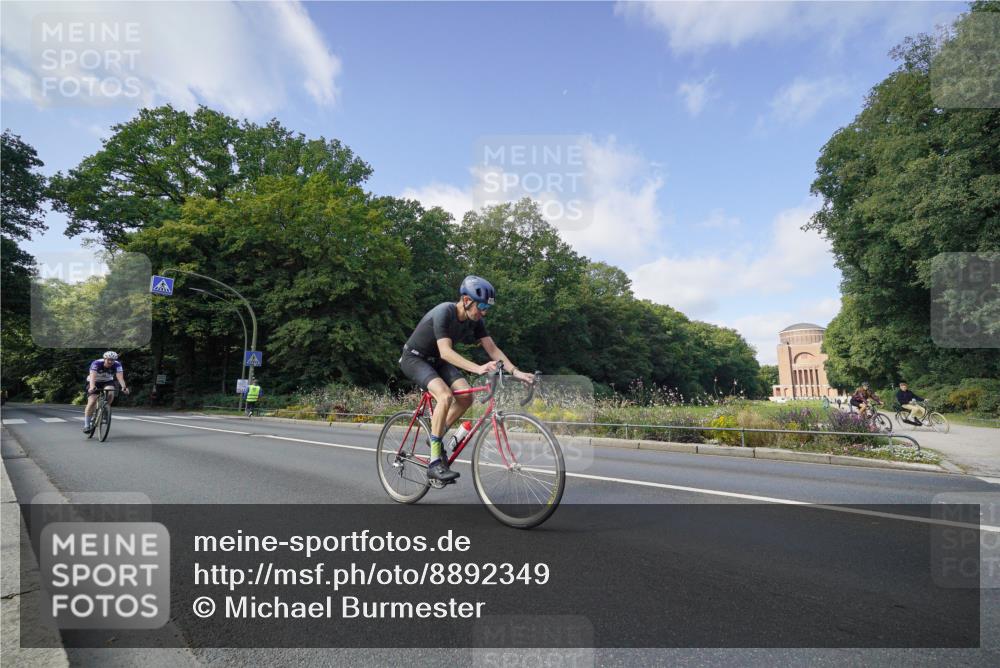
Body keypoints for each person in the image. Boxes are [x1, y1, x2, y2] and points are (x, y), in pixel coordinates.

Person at [400, 276, 534, 484]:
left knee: (466, 398)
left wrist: (516, 372)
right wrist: (478, 368)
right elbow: (445, 352)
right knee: (445, 396)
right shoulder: (445, 312)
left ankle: (435, 435)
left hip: (436, 361)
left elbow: (492, 349)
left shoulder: (476, 320)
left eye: (487, 308)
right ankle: (435, 462)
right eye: (481, 306)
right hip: (414, 358)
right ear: (465, 300)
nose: (484, 312)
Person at [83, 351, 129, 432]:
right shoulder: (96, 363)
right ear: (105, 359)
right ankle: (86, 425)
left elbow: (120, 377)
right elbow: (93, 375)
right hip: (94, 381)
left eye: (113, 360)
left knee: (110, 392)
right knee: (92, 401)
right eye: (109, 360)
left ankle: (105, 408)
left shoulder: (117, 364)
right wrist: (92, 387)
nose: (111, 361)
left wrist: (124, 387)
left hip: (107, 381)